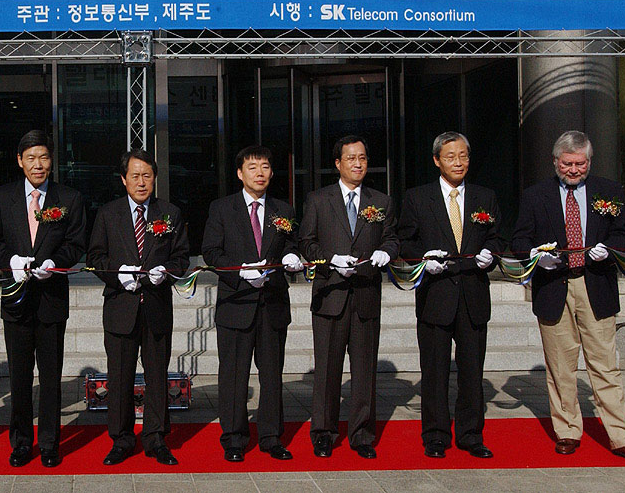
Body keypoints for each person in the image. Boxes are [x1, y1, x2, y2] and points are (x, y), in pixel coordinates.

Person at [511, 130, 625, 465]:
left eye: (580, 163)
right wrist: (535, 256)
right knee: (561, 368)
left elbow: (623, 234)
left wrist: (610, 249)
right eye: (568, 163)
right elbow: (519, 239)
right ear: (556, 161)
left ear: (589, 161)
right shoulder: (536, 195)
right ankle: (568, 431)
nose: (574, 169)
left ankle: (621, 437)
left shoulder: (610, 190)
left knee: (605, 366)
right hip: (554, 285)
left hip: (595, 286)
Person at [0, 130, 86, 468]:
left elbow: (76, 242)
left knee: (51, 377)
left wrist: (57, 262)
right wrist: (9, 261)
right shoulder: (2, 196)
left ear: (51, 160)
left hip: (51, 298)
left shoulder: (68, 198)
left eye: (43, 157)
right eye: (31, 158)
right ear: (19, 161)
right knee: (20, 377)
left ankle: (50, 443)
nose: (38, 164)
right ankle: (21, 442)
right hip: (16, 300)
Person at [398, 131, 502, 459]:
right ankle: (435, 435)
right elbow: (404, 242)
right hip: (435, 296)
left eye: (463, 156)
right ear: (436, 160)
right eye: (451, 157)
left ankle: (471, 434)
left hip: (473, 295)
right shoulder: (417, 198)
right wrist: (424, 259)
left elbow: (498, 237)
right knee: (434, 371)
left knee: (472, 372)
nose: (458, 162)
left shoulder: (485, 197)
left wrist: (490, 253)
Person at [298, 135, 398, 459]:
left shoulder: (380, 202)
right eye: (351, 158)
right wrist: (330, 259)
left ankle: (361, 434)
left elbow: (393, 239)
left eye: (363, 158)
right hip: (331, 296)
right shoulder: (318, 199)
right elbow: (307, 243)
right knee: (327, 370)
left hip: (366, 296)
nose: (358, 164)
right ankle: (324, 432)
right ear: (338, 163)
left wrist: (386, 251)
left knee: (364, 370)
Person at [87, 149, 190, 466]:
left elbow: (182, 259)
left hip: (156, 306)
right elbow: (94, 259)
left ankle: (156, 438)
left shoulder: (169, 213)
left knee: (157, 376)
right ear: (123, 179)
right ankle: (121, 439)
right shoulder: (108, 213)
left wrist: (167, 273)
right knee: (120, 377)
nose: (141, 182)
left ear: (155, 178)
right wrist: (118, 275)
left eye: (147, 175)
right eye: (135, 175)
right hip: (121, 307)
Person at [202, 146, 303, 462]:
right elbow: (211, 252)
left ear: (272, 173)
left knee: (272, 374)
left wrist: (291, 256)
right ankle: (233, 437)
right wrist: (240, 271)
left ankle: (272, 436)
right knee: (233, 374)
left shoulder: (283, 210)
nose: (259, 173)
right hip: (236, 303)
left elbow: (292, 245)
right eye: (253, 167)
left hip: (272, 303)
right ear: (240, 173)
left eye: (265, 167)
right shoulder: (222, 209)